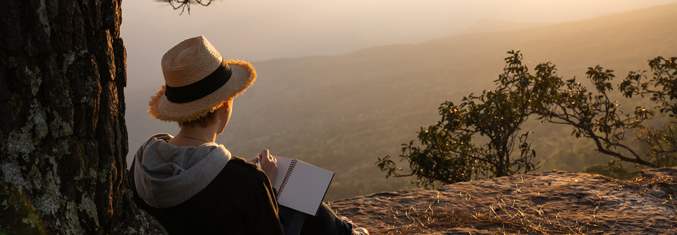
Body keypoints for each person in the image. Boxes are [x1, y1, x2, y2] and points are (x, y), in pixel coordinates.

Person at [131, 35, 368, 235]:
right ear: (225, 105)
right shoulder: (244, 180)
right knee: (295, 186)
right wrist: (268, 186)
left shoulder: (143, 164)